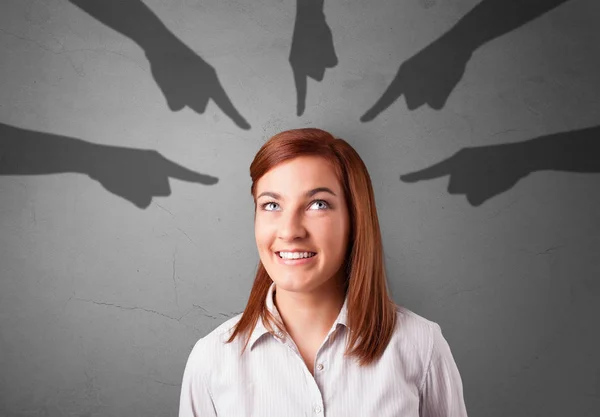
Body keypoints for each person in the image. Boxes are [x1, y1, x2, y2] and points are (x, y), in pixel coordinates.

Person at [178, 128, 468, 416]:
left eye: (318, 204)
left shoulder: (421, 347)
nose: (290, 231)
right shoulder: (211, 360)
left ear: (355, 219)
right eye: (271, 204)